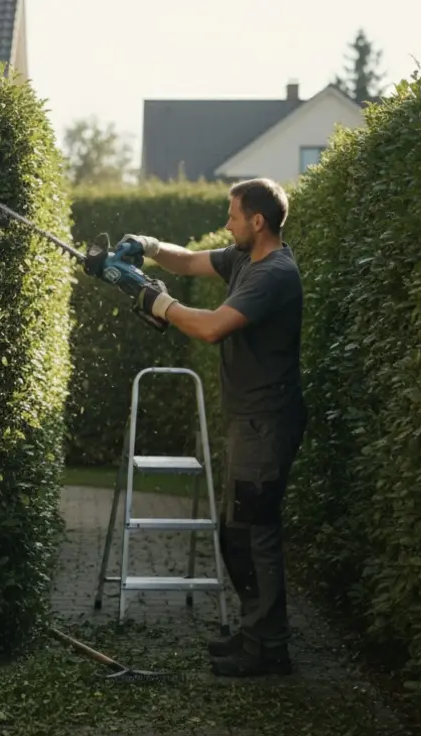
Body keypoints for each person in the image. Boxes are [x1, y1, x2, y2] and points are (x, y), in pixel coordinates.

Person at [115, 177, 307, 677]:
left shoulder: (275, 274)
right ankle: (254, 633)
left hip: (266, 422)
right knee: (235, 533)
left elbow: (210, 328)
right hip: (250, 421)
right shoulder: (245, 260)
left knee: (255, 534)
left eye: (233, 214)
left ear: (257, 222)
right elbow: (189, 260)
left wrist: (154, 299)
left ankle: (269, 649)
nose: (227, 223)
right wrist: (147, 247)